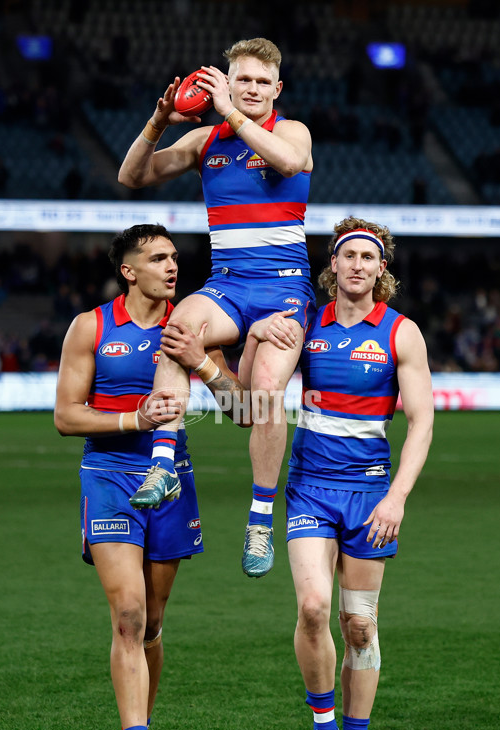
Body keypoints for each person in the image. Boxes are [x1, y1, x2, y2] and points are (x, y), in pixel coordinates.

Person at [54, 224, 252, 730]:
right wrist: (132, 421)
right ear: (129, 270)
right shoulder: (91, 327)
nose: (172, 266)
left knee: (154, 624)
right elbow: (67, 416)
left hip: (172, 482)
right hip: (110, 477)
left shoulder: (193, 327)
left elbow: (245, 412)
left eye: (174, 257)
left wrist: (207, 365)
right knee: (129, 616)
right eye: (158, 258)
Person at [117, 37, 314, 579]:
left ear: (276, 88)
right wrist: (159, 121)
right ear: (226, 81)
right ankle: (162, 464)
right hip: (229, 285)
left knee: (263, 400)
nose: (250, 89)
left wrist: (226, 109)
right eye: (239, 80)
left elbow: (291, 162)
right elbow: (131, 177)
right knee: (177, 326)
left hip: (283, 289)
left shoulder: (292, 132)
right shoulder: (206, 140)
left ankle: (259, 518)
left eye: (259, 81)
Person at [285, 217, 434, 730]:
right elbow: (257, 390)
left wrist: (396, 497)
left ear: (381, 269)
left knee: (360, 627)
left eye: (367, 257)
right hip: (310, 490)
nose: (357, 265)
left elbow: (421, 423)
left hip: (372, 495)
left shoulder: (401, 333)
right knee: (314, 608)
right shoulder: (306, 324)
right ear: (332, 266)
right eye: (347, 255)